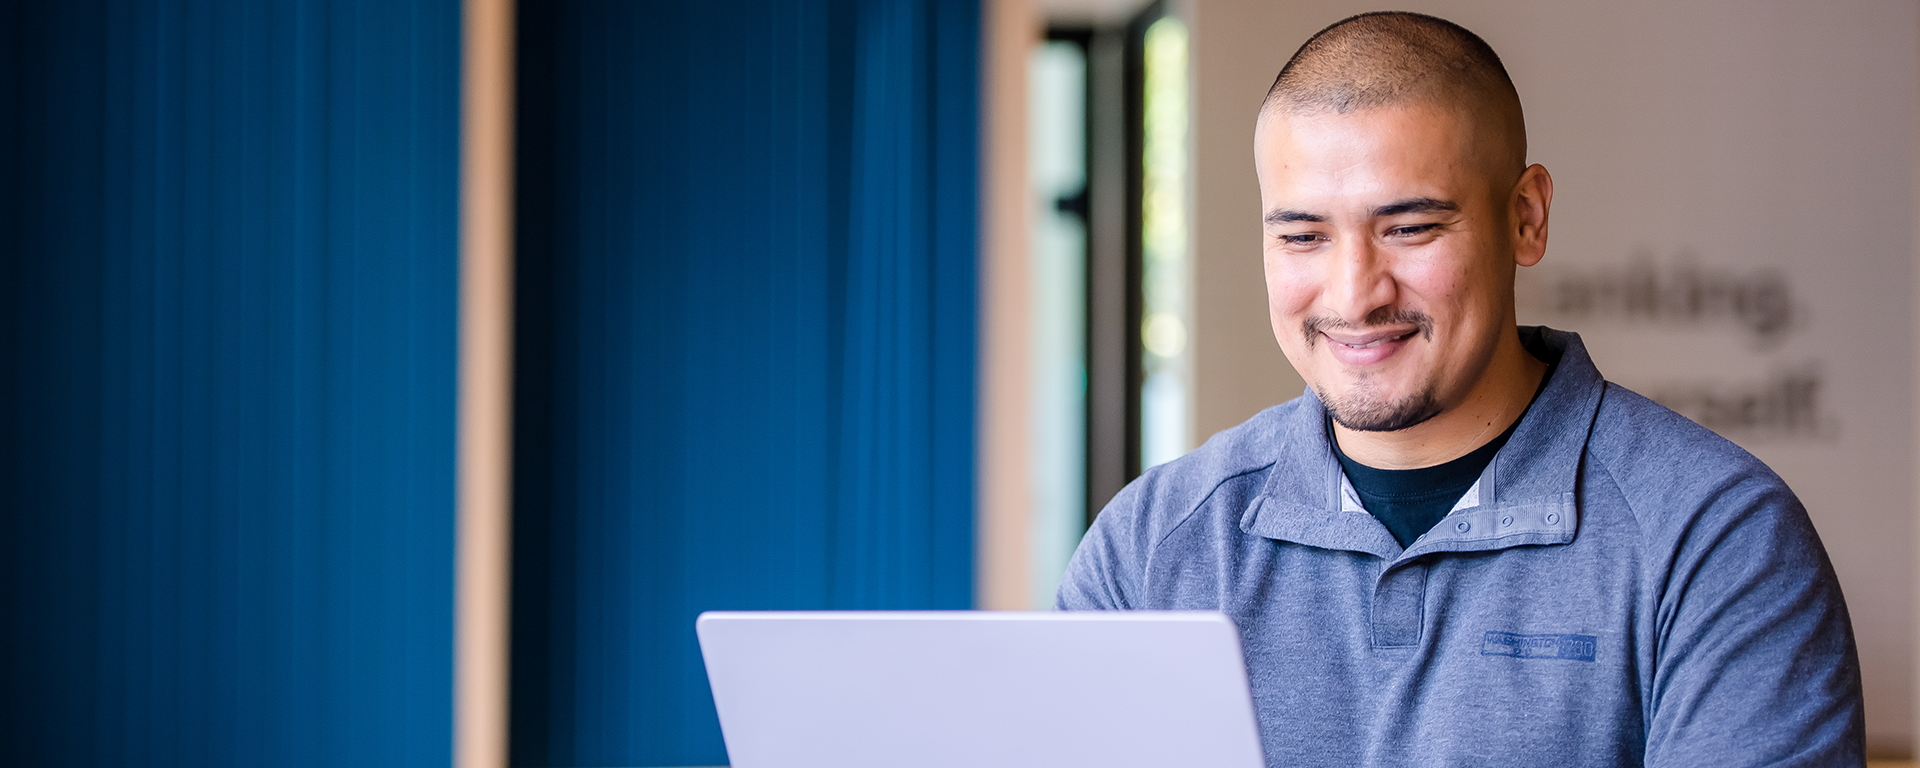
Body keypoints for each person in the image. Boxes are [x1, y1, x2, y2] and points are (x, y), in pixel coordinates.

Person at [1055, 11, 1863, 766]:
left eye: (1408, 229)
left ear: (1526, 219)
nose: (1353, 294)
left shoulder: (1717, 540)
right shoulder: (1154, 548)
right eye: (1303, 236)